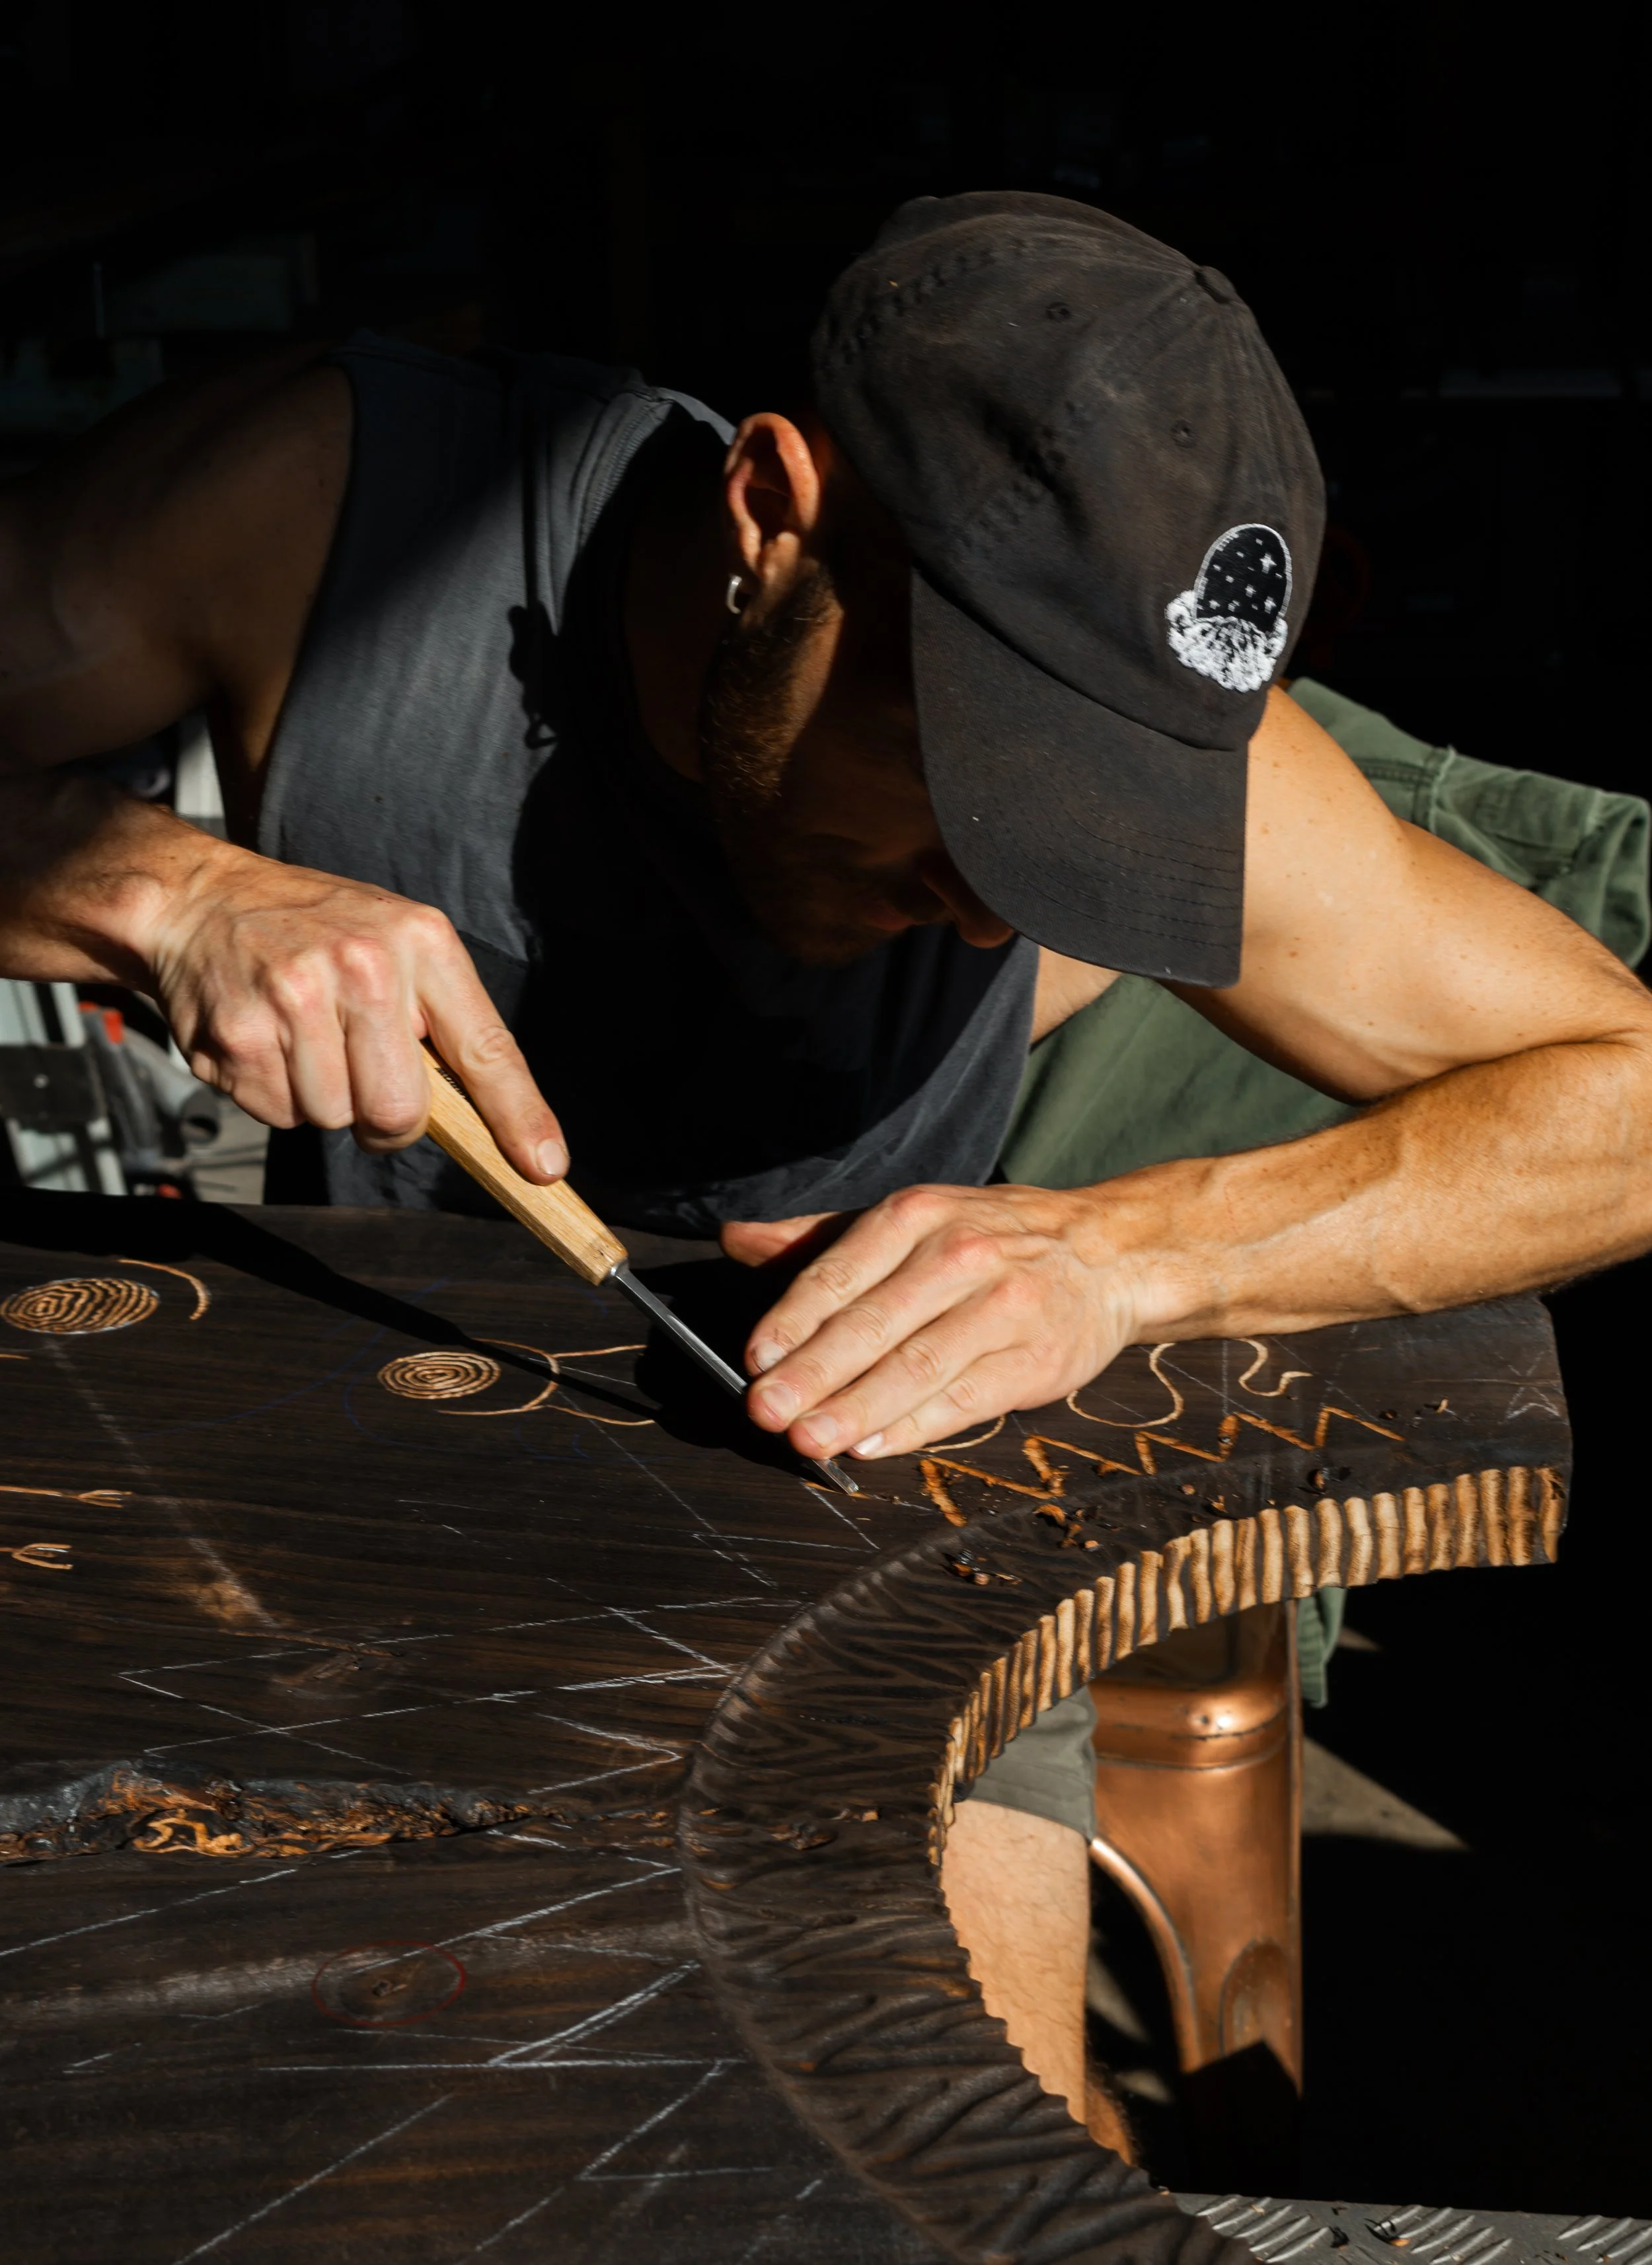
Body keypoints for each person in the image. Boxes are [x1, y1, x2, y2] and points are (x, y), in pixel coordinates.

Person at [4, 192, 1651, 2151]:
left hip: (857, 1522)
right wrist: (158, 890)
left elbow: (1626, 1096)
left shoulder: (1178, 739)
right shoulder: (318, 508)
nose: (996, 914)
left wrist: (1124, 1254)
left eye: (1085, 842)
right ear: (772, 520)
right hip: (366, 1459)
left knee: (927, 2148)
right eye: (980, 794)